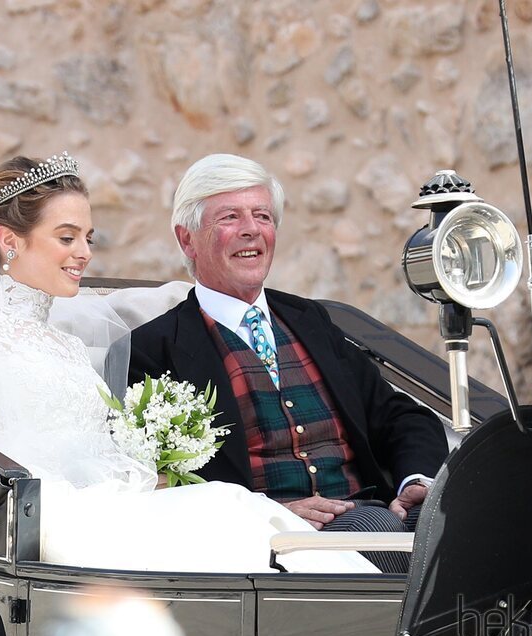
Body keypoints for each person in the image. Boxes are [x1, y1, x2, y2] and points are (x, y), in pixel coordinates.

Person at [0, 153, 378, 574]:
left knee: (232, 503)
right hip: (49, 519)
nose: (84, 253)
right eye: (66, 237)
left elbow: (97, 447)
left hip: (109, 502)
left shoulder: (68, 347)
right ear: (10, 240)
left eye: (88, 238)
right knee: (227, 514)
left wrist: (152, 476)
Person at [129, 153, 449, 573]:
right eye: (229, 217)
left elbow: (400, 415)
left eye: (262, 215)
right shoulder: (154, 349)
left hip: (376, 514)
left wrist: (416, 483)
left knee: (475, 520)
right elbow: (157, 484)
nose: (251, 230)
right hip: (268, 545)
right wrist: (271, 512)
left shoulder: (309, 319)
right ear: (187, 239)